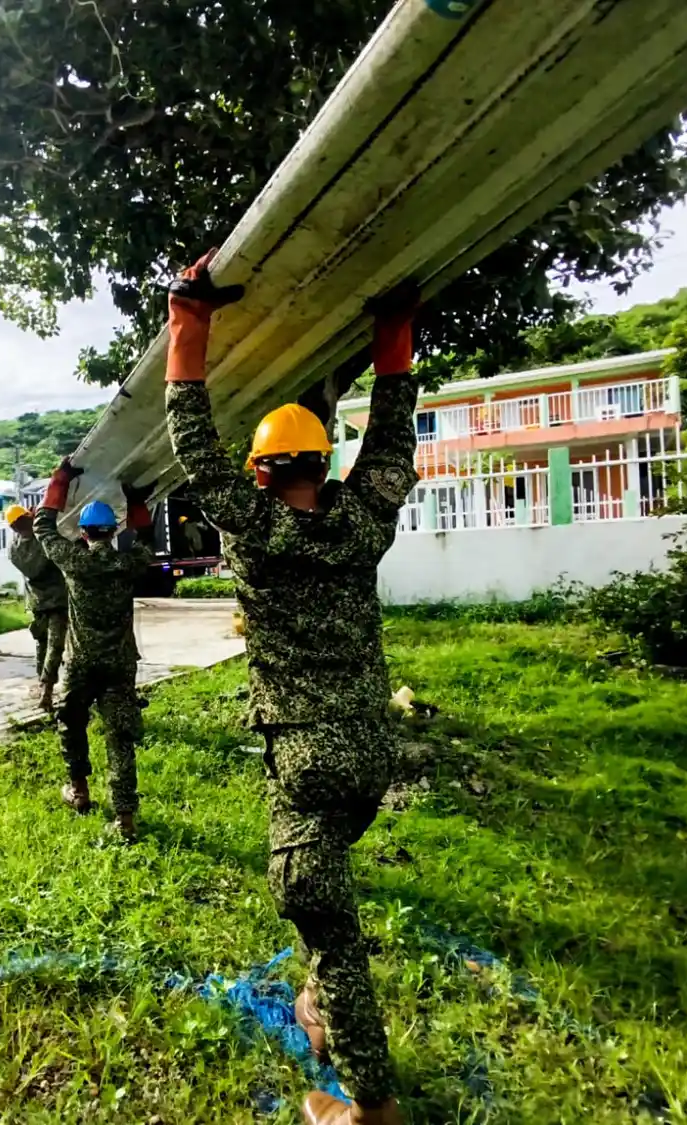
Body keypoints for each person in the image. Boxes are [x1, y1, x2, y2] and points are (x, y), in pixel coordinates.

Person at [162, 250, 419, 1125]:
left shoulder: (257, 529)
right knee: (327, 895)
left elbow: (193, 443)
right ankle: (320, 1011)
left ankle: (369, 1111)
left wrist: (188, 318)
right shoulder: (363, 521)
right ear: (325, 462)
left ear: (262, 473)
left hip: (304, 758)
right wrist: (394, 334)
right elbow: (391, 439)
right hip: (372, 751)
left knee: (330, 928)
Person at [33, 464, 156, 842]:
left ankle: (79, 791)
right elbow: (147, 539)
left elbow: (42, 527)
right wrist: (136, 500)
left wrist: (60, 481)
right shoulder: (128, 563)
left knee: (71, 722)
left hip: (81, 664)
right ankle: (125, 818)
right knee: (119, 736)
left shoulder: (76, 563)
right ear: (112, 530)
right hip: (120, 665)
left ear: (84, 534)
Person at [5, 503, 68, 712]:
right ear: (24, 521)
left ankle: (42, 684)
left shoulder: (13, 549)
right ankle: (47, 690)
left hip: (38, 603)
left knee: (42, 644)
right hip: (57, 600)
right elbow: (44, 560)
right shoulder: (40, 542)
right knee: (55, 646)